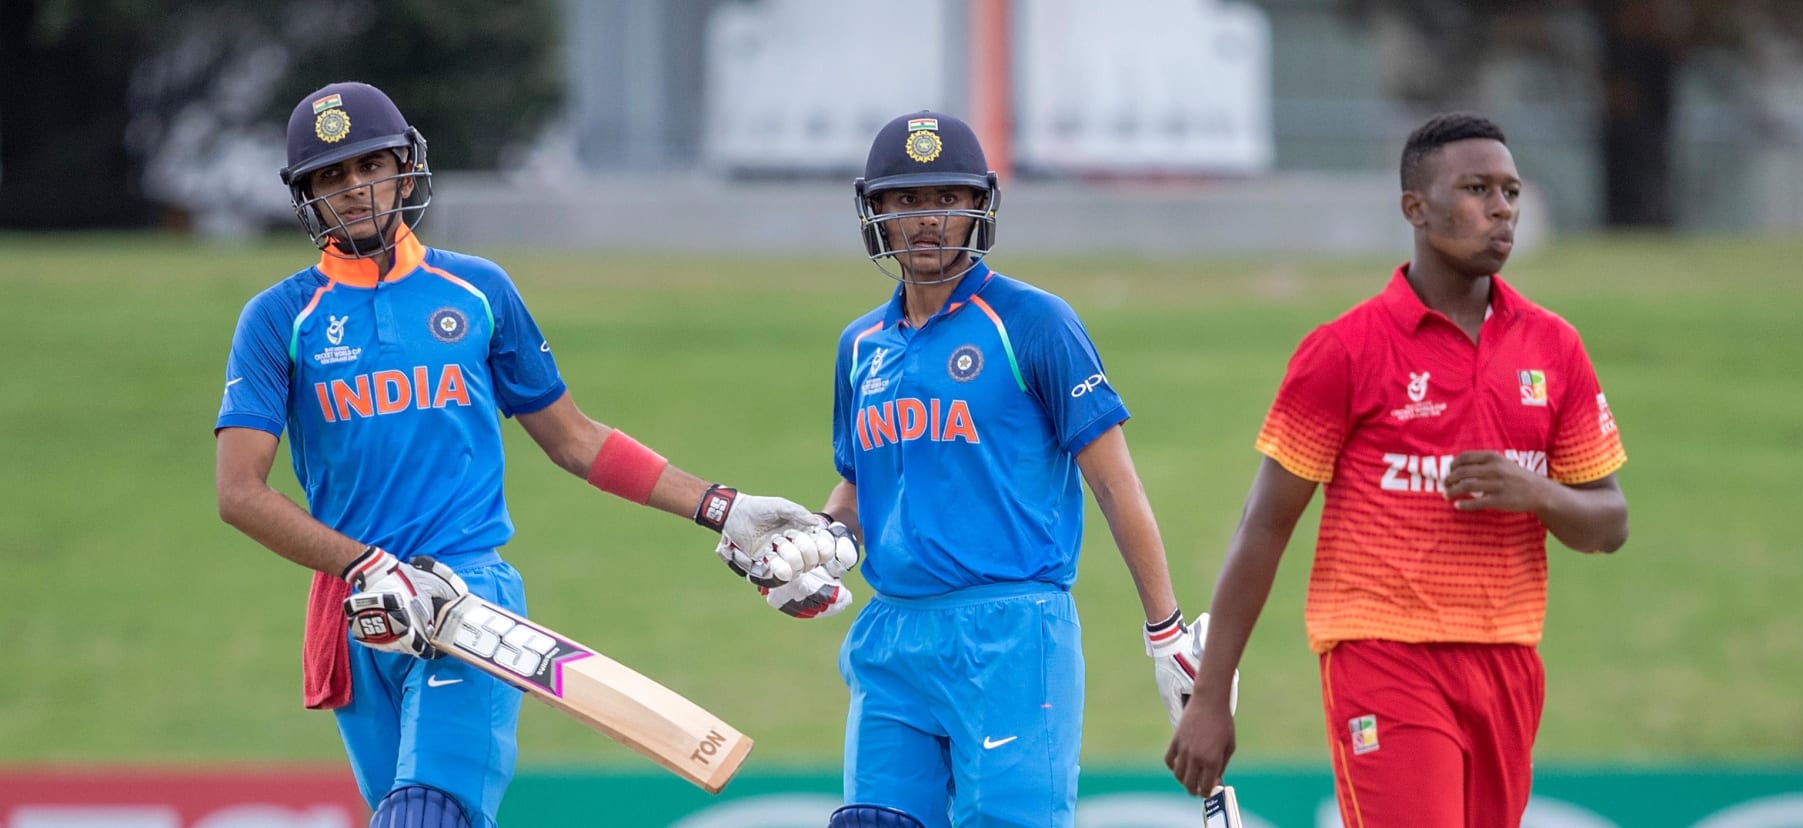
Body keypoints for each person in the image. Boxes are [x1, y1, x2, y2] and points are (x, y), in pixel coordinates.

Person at [214, 81, 835, 828]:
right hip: (363, 609)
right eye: (331, 176)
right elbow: (240, 493)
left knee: (425, 816)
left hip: (468, 601)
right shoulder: (281, 317)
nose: (355, 189)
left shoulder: (477, 290)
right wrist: (364, 565)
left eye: (369, 165)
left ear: (405, 169)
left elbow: (576, 441)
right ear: (307, 196)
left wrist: (720, 507)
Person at [1165, 113, 1630, 826]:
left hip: (1507, 658)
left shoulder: (1554, 346)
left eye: (1510, 191)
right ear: (1415, 207)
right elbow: (1265, 526)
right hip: (1383, 654)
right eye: (1477, 188)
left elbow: (1610, 524)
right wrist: (1210, 696)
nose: (1501, 207)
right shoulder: (1345, 350)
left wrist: (1534, 492)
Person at [795, 110, 1207, 828]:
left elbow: (1113, 482)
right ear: (877, 212)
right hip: (892, 636)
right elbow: (862, 484)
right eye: (905, 201)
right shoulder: (860, 346)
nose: (928, 219)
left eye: (947, 199)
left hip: (1011, 636)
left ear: (978, 204)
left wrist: (1165, 631)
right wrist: (817, 543)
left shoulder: (1033, 323)